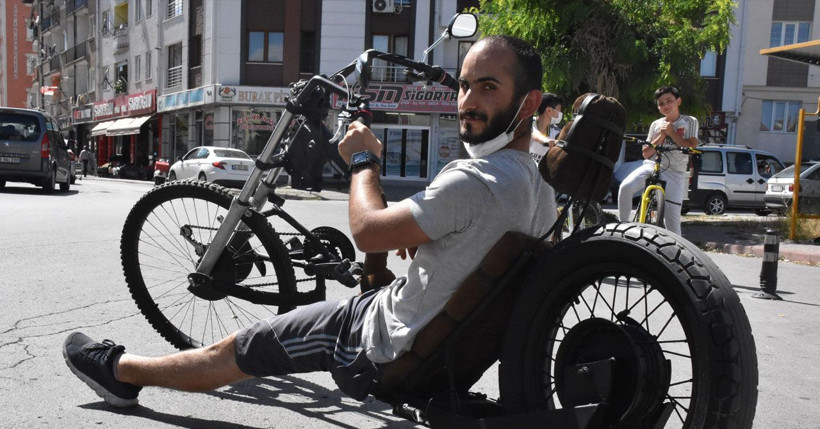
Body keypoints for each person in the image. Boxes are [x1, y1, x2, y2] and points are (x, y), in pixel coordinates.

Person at [62, 36, 558, 407]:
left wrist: (362, 160)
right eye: (465, 85)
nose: (467, 102)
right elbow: (454, 236)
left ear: (529, 102)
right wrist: (419, 231)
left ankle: (121, 372)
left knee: (243, 347)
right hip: (441, 348)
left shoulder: (475, 180)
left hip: (374, 342)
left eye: (488, 88)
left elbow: (367, 230)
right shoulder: (539, 192)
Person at [617, 86, 699, 235]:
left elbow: (692, 146)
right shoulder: (656, 124)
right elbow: (646, 153)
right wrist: (661, 135)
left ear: (678, 101)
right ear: (658, 107)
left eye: (669, 101)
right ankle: (623, 228)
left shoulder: (690, 121)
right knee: (626, 187)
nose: (665, 105)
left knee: (672, 225)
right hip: (652, 165)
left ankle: (675, 248)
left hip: (675, 172)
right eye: (661, 103)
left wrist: (671, 132)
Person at [529, 92, 562, 164]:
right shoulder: (528, 123)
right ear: (549, 110)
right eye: (559, 110)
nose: (560, 114)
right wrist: (547, 141)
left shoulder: (557, 133)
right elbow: (532, 132)